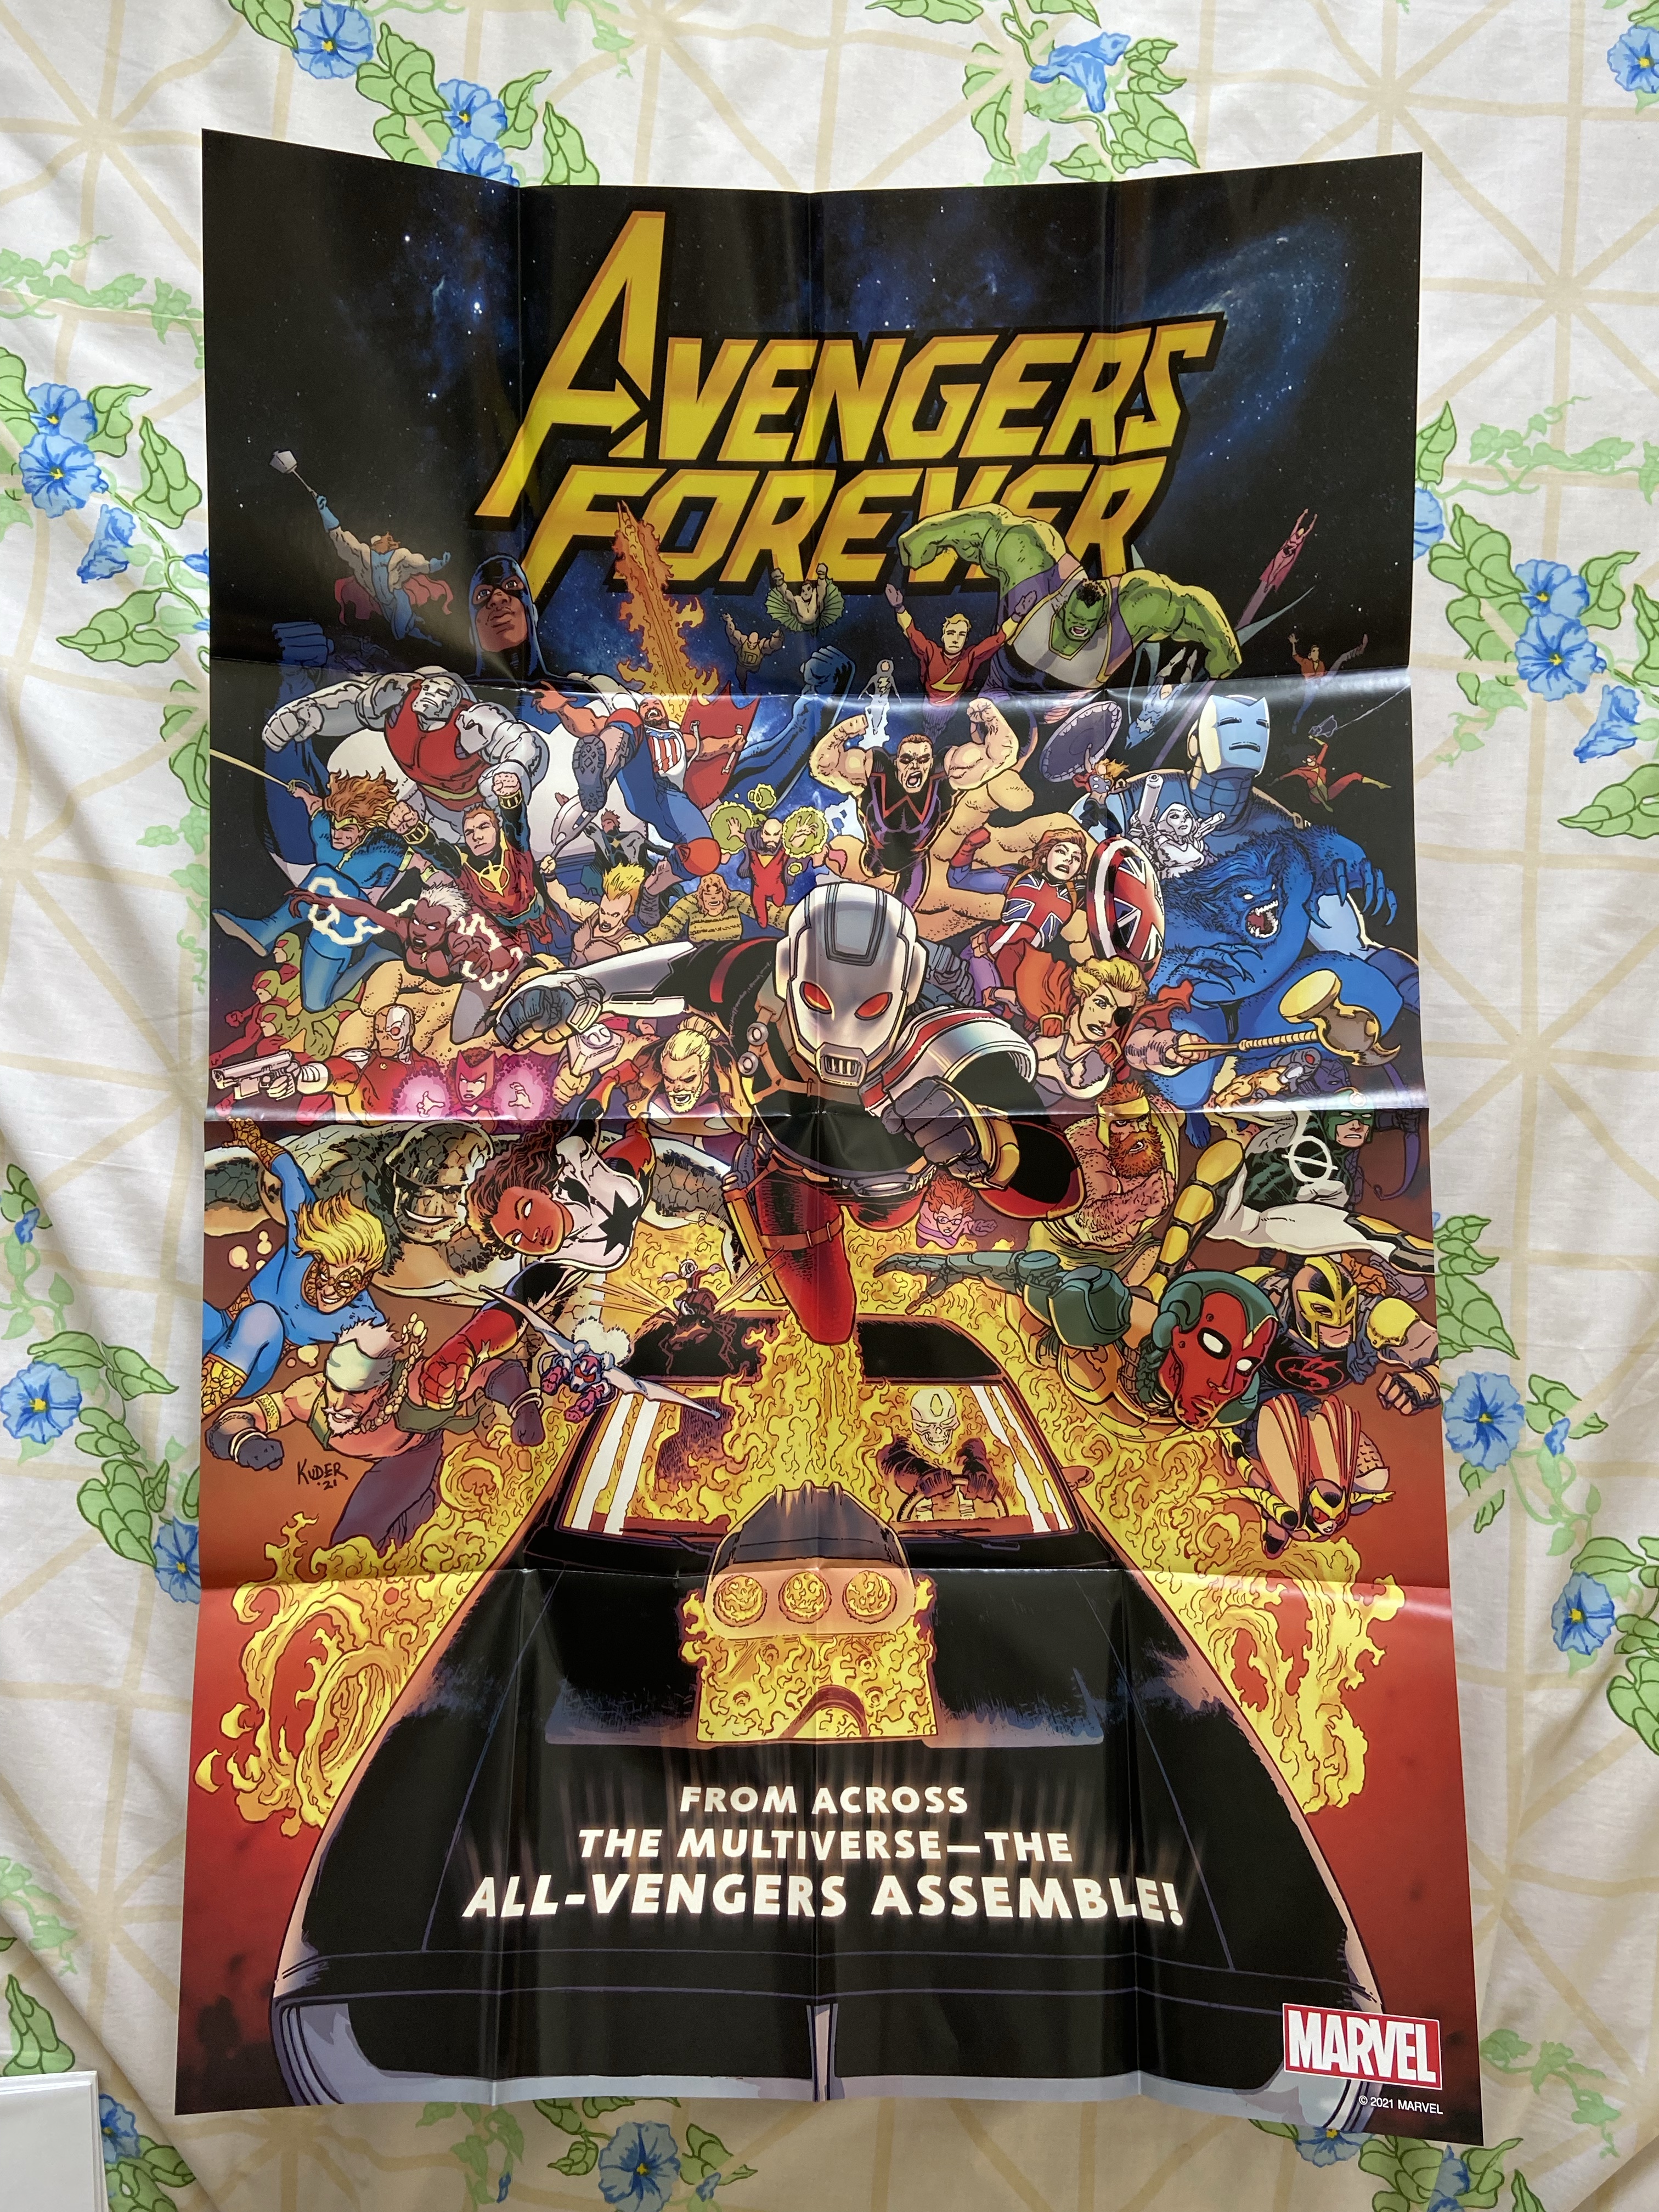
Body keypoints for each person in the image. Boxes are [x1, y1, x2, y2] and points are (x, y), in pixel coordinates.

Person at [212, 770, 417, 1011]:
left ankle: (267, 930)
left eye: (347, 831)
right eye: (335, 826)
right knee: (315, 1003)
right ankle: (375, 955)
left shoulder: (386, 846)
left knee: (324, 875)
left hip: (352, 919)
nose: (336, 836)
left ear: (364, 829)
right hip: (318, 911)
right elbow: (316, 805)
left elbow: (423, 864)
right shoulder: (324, 825)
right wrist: (302, 793)